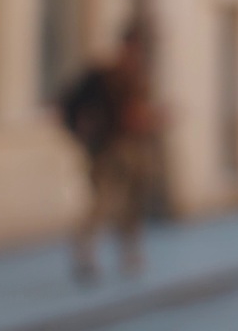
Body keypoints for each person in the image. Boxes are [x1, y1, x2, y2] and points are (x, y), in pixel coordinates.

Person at [58, 21, 162, 283]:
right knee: (103, 203)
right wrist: (84, 134)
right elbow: (70, 104)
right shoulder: (103, 75)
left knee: (132, 205)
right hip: (109, 148)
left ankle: (129, 253)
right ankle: (85, 252)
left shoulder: (139, 77)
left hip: (134, 148)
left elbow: (140, 113)